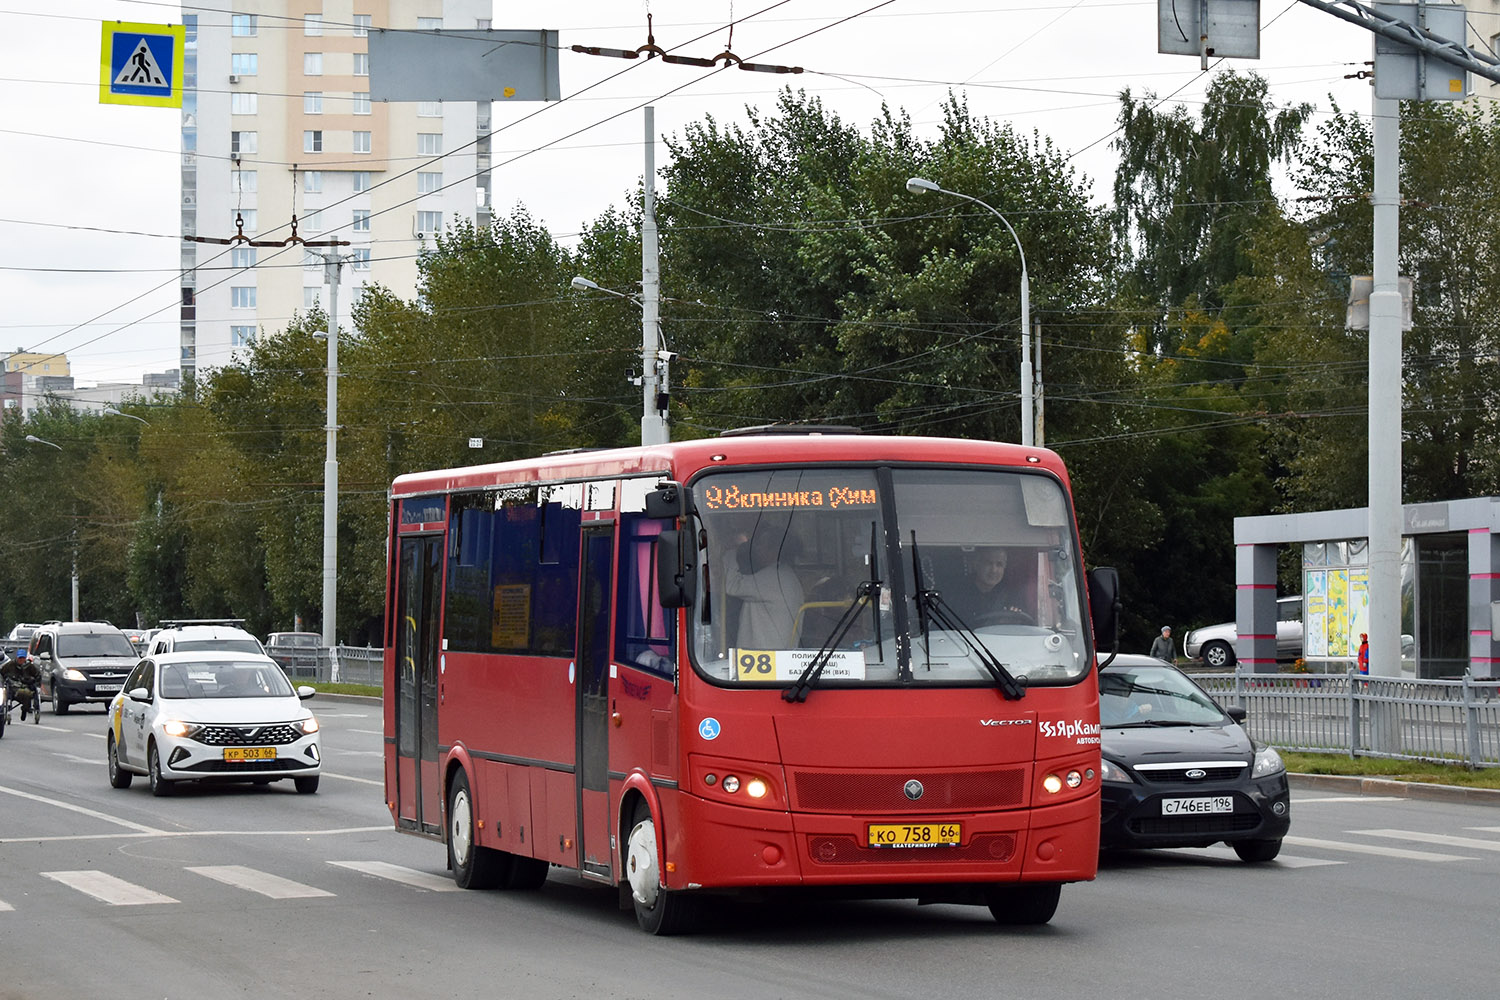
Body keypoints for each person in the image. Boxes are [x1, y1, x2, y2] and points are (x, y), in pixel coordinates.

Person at [720, 520, 805, 648]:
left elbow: (732, 586)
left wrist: (731, 552)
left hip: (765, 657)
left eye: (761, 545)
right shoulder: (786, 576)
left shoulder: (774, 578)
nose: (757, 549)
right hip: (778, 655)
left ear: (775, 550)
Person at [948, 546, 1029, 625]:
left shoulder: (1013, 595)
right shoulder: (957, 594)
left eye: (999, 564)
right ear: (976, 565)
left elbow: (1023, 625)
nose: (994, 570)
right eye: (988, 563)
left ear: (1005, 567)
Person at [1, 648, 42, 721]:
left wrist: (36, 683)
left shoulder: (30, 666)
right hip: (14, 688)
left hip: (27, 687)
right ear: (17, 657)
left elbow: (38, 675)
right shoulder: (10, 665)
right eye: (20, 658)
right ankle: (10, 711)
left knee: (28, 694)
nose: (21, 660)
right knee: (11, 690)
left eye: (23, 658)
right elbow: (2, 672)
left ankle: (25, 709)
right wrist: (4, 681)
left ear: (25, 658)